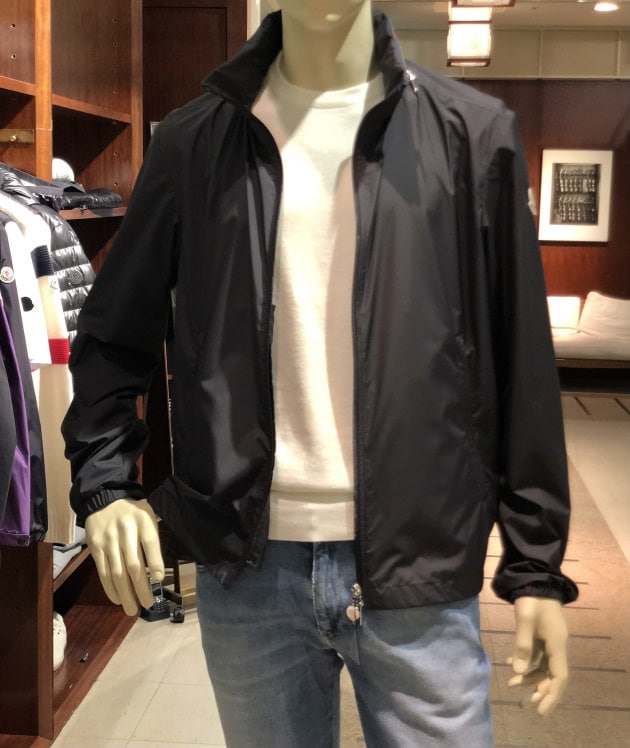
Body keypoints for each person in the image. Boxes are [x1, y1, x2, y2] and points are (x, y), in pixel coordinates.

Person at [62, 2, 578, 746]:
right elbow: (114, 333)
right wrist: (106, 484)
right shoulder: (193, 141)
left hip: (417, 564)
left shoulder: (472, 134)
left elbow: (519, 358)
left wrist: (536, 564)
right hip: (249, 565)